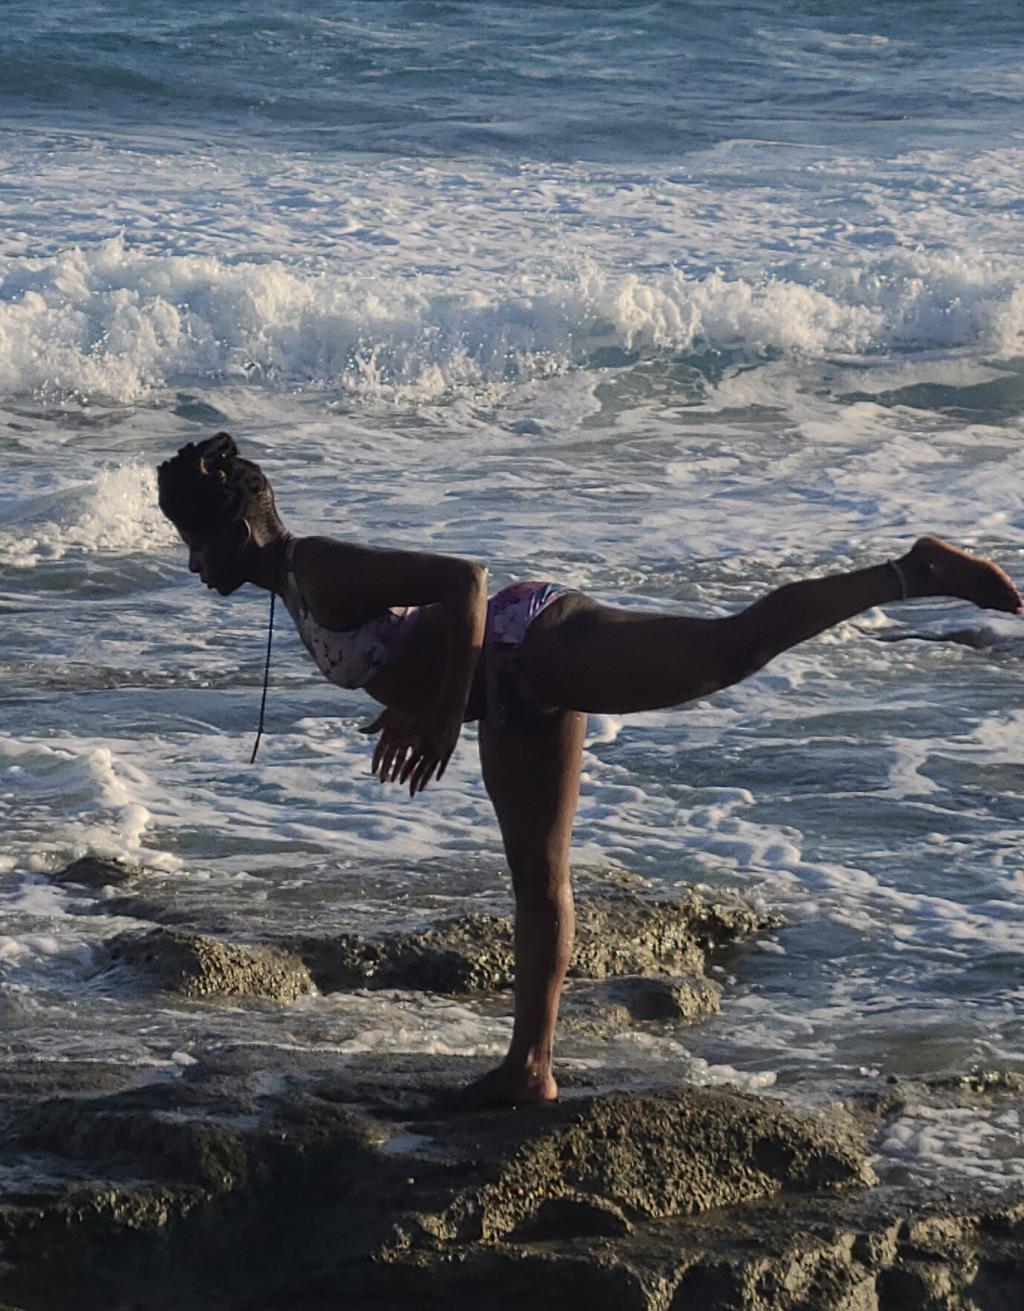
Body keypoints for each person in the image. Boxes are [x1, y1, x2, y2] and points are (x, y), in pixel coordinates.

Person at [157, 432, 1021, 1109]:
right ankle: (530, 1067)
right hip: (506, 690)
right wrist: (415, 699)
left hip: (538, 646)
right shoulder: (296, 587)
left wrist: (439, 710)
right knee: (538, 877)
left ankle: (916, 571)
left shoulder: (318, 566)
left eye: (196, 547)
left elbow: (464, 581)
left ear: (236, 531)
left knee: (730, 647)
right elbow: (411, 631)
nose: (195, 567)